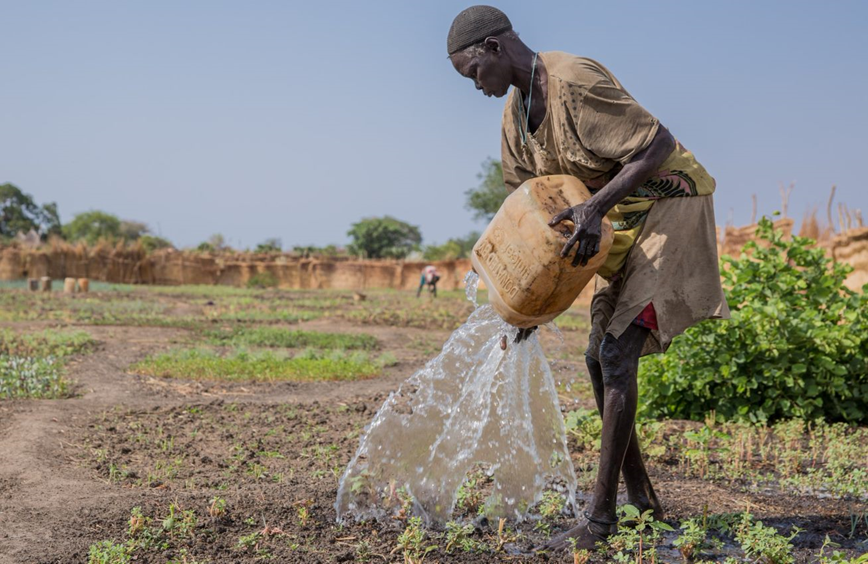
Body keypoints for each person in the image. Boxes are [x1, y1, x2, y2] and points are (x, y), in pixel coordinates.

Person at [447, 5, 730, 551]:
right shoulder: (514, 115)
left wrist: (595, 208)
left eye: (473, 72)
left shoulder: (573, 81)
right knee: (596, 356)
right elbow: (527, 203)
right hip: (611, 222)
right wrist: (523, 296)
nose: (475, 86)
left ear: (494, 49)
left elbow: (658, 144)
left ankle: (600, 522)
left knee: (618, 354)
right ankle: (642, 502)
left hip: (669, 207)